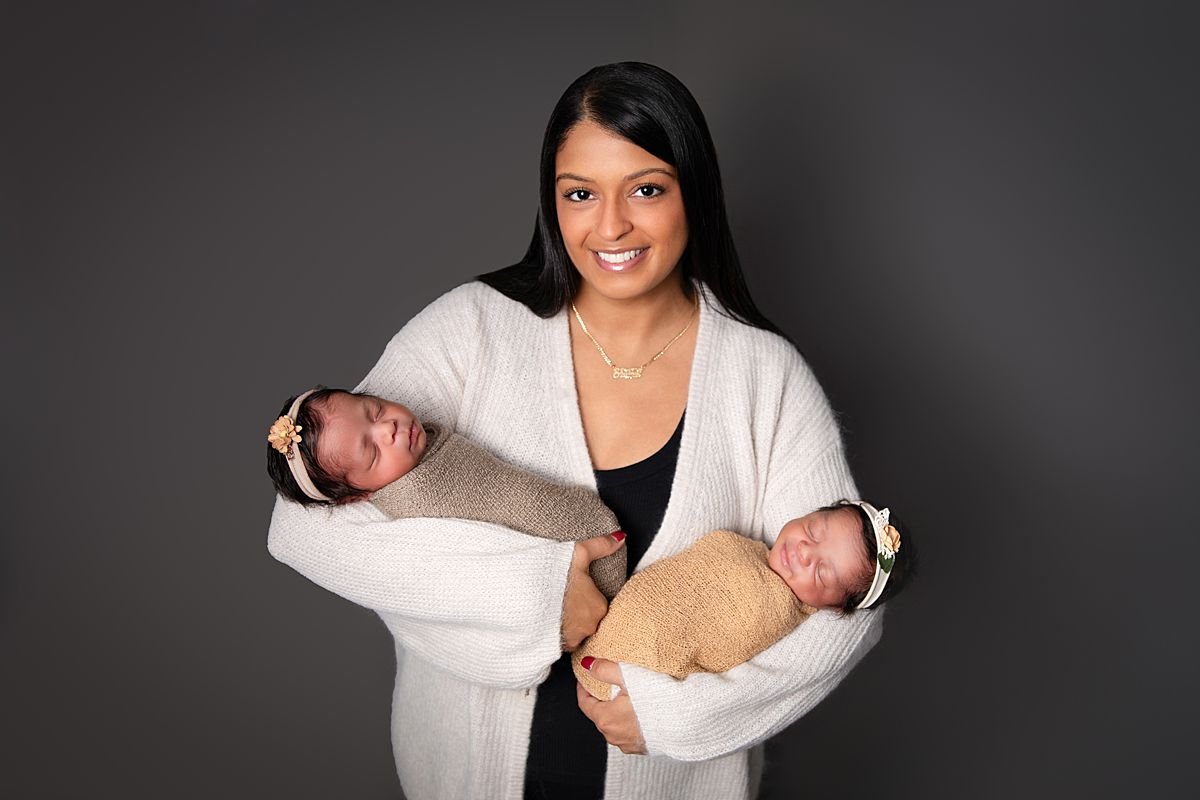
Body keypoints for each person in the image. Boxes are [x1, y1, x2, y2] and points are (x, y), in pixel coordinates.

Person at [267, 62, 884, 800]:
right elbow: (303, 527)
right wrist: (532, 597)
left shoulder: (765, 377)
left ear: (695, 190)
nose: (611, 224)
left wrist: (675, 717)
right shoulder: (472, 330)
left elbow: (853, 604)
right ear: (551, 201)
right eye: (580, 194)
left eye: (646, 189)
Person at [265, 387, 627, 598]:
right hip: (582, 572)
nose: (388, 428)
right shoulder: (416, 504)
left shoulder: (425, 443)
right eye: (372, 453)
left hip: (593, 528)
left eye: (374, 411)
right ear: (358, 496)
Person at [573, 501, 911, 701]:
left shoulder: (776, 615)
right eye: (813, 530)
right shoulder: (748, 548)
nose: (806, 551)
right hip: (597, 619)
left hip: (634, 671)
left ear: (834, 607)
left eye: (822, 573)